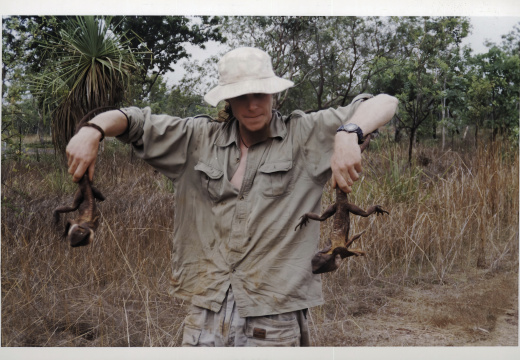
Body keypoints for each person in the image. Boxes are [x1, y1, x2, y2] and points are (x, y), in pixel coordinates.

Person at [66, 47, 398, 346]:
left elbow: (384, 101)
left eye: (261, 93)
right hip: (205, 312)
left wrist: (347, 134)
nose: (253, 104)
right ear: (228, 100)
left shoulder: (305, 135)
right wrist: (91, 131)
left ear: (273, 93)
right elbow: (134, 121)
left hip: (274, 315)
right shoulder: (196, 140)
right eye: (242, 96)